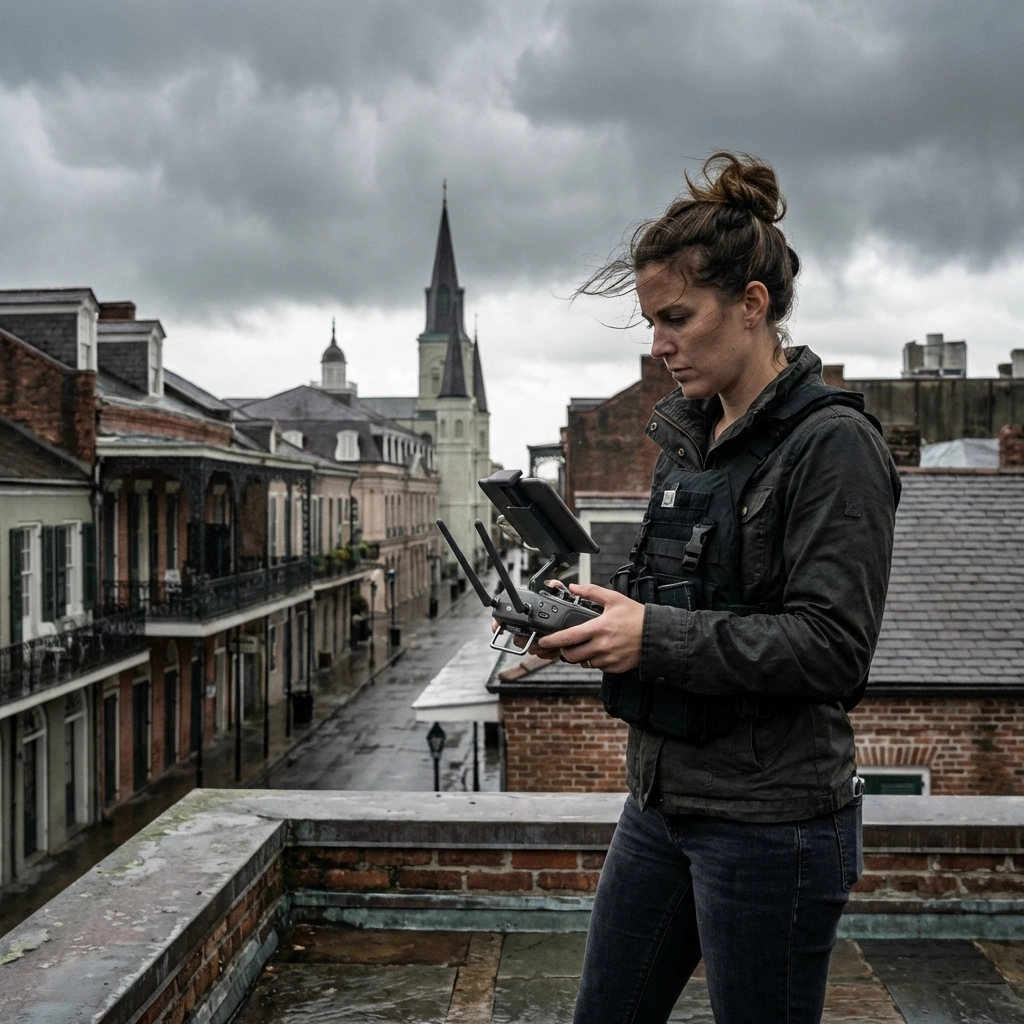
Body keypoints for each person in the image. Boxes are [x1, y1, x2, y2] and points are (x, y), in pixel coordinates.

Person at [535, 152, 901, 1024]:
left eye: (675, 318)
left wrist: (650, 636)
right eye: (650, 323)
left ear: (751, 304)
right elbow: (670, 595)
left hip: (774, 826)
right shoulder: (688, 438)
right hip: (661, 805)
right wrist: (588, 620)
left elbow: (833, 649)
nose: (658, 347)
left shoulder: (832, 446)